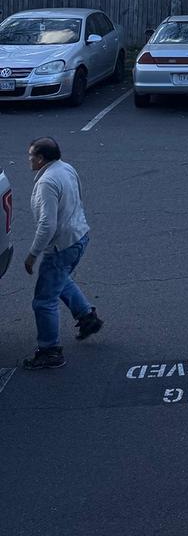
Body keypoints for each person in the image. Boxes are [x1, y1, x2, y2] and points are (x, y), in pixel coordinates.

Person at [22, 137, 102, 370]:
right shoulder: (66, 168)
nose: (29, 160)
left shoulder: (47, 181)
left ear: (41, 158)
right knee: (61, 279)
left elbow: (48, 224)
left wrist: (32, 254)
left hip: (61, 247)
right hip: (79, 237)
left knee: (43, 301)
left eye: (31, 156)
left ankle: (50, 351)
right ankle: (87, 317)